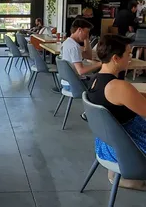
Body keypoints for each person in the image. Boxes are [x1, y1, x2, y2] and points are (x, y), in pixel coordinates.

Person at [87, 34, 146, 190]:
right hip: (128, 148)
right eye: (128, 54)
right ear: (116, 58)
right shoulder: (118, 87)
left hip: (106, 145)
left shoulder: (94, 80)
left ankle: (121, 177)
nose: (131, 58)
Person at [61, 18, 102, 90]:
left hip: (67, 82)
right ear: (79, 30)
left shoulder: (68, 42)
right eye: (87, 32)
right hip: (75, 84)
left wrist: (86, 39)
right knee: (104, 85)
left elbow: (88, 56)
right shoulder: (74, 47)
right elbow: (81, 71)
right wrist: (101, 64)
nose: (87, 35)